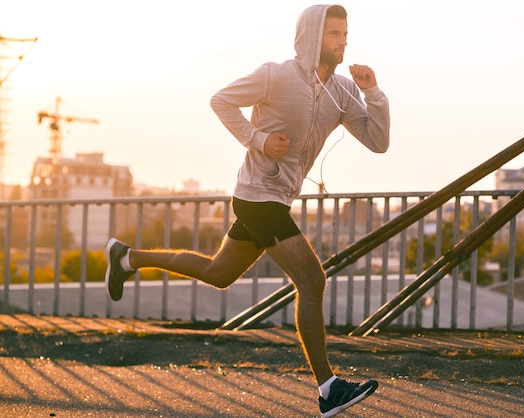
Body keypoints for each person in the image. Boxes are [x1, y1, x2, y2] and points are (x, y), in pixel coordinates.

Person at [104, 4, 390, 417]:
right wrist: (257, 139)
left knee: (218, 273)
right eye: (333, 34)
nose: (343, 41)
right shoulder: (275, 75)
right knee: (311, 279)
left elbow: (378, 142)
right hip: (257, 195)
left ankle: (127, 257)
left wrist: (374, 93)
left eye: (345, 33)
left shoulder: (342, 91)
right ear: (312, 36)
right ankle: (329, 389)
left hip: (276, 198)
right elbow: (221, 101)